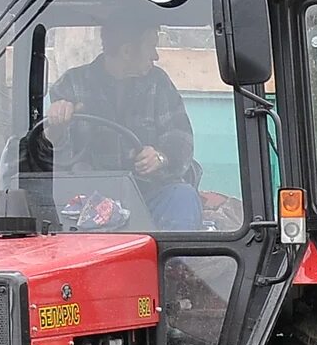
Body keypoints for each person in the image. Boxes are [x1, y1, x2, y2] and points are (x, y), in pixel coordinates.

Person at [43, 15, 202, 229]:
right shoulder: (72, 85)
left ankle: (174, 263)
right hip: (84, 202)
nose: (155, 56)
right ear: (127, 51)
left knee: (182, 197)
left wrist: (161, 157)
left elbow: (180, 138)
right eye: (151, 46)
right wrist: (56, 127)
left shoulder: (158, 84)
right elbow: (51, 157)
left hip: (147, 195)